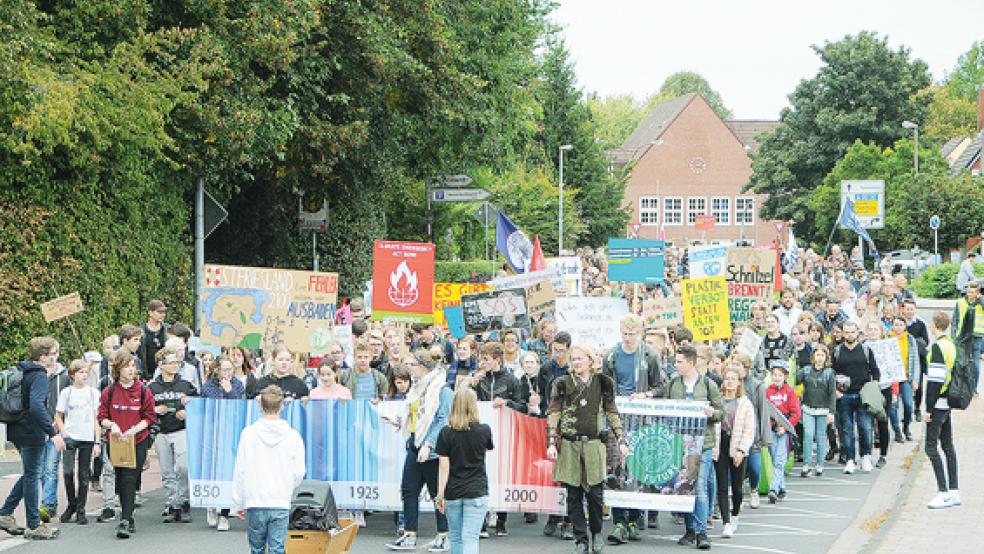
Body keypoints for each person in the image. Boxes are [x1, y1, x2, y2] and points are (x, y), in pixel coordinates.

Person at [546, 345, 626, 554]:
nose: (576, 362)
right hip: (570, 445)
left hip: (593, 445)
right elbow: (554, 413)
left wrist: (621, 439)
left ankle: (597, 533)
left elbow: (611, 412)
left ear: (590, 360)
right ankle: (580, 539)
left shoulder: (603, 382)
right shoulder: (561, 383)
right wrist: (552, 441)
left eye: (580, 358)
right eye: (573, 359)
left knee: (595, 496)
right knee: (573, 497)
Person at [602, 314, 666, 546]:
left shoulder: (649, 356)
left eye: (632, 334)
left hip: (641, 421)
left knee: (638, 470)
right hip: (617, 421)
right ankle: (619, 520)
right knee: (617, 469)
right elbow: (604, 386)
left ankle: (634, 519)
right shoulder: (611, 356)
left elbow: (661, 386)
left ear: (640, 333)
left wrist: (646, 394)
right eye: (624, 334)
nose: (627, 338)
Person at [385, 349, 453, 552]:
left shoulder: (442, 389)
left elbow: (443, 420)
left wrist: (428, 443)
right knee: (409, 490)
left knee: (437, 493)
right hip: (414, 444)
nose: (408, 369)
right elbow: (415, 416)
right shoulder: (416, 388)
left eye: (411, 365)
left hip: (433, 450)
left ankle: (444, 534)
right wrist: (400, 422)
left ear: (423, 366)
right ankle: (409, 534)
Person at [0, 337, 67, 540]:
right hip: (31, 431)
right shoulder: (39, 374)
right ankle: (34, 525)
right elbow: (37, 406)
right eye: (53, 353)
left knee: (32, 473)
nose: (56, 357)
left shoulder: (23, 369)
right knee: (32, 475)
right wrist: (53, 433)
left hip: (17, 428)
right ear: (42, 357)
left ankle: (5, 513)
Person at [232, 385, 306, 554]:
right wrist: (287, 485)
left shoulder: (248, 433)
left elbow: (241, 469)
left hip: (255, 498)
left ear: (260, 404)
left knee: (256, 549)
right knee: (277, 549)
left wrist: (238, 502)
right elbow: (299, 472)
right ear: (282, 406)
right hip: (280, 498)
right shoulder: (293, 436)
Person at [663, 345, 722, 550]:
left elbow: (721, 413)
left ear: (690, 362)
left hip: (703, 443)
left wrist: (712, 413)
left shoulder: (708, 384)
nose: (676, 365)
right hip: (681, 443)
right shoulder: (673, 384)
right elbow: (665, 407)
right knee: (684, 486)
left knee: (700, 486)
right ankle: (690, 529)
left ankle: (701, 531)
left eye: (679, 362)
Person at [98, 349, 157, 539]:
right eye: (127, 366)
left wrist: (133, 430)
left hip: (137, 440)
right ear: (118, 369)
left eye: (133, 366)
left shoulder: (143, 390)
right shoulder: (109, 391)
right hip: (116, 441)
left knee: (130, 478)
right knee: (120, 477)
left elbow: (149, 417)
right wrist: (112, 425)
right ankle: (127, 514)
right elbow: (102, 417)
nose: (131, 370)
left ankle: (125, 519)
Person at [469, 341, 523, 537]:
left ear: (497, 360)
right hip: (480, 433)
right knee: (481, 473)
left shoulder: (511, 380)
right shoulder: (479, 378)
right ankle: (482, 520)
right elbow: (464, 401)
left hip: (504, 432)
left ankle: (501, 520)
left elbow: (522, 406)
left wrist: (506, 402)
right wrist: (472, 385)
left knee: (502, 473)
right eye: (481, 359)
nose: (482, 363)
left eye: (486, 359)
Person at [435, 388, 494, 554]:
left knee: (455, 537)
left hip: (453, 490)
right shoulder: (484, 430)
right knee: (470, 537)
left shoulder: (445, 433)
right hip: (476, 489)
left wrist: (440, 494)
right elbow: (488, 448)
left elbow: (443, 467)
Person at [149, 347, 197, 524]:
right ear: (161, 365)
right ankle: (172, 503)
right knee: (167, 470)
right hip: (161, 431)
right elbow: (145, 409)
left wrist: (187, 411)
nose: (175, 365)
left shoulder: (185, 385)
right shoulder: (152, 387)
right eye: (171, 362)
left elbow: (197, 404)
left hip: (180, 429)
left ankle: (184, 501)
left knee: (183, 467)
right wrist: (155, 410)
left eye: (177, 362)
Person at [201, 355, 246, 531]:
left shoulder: (238, 385)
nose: (228, 373)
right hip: (213, 433)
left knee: (228, 472)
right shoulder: (207, 387)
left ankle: (224, 514)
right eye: (225, 369)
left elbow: (239, 406)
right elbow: (206, 408)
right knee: (213, 471)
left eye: (230, 369)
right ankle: (211, 506)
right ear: (217, 370)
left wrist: (229, 391)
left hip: (231, 433)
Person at [54, 359, 101, 525]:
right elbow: (58, 416)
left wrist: (97, 441)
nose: (84, 375)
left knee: (84, 474)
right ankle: (72, 504)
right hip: (70, 436)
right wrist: (64, 434)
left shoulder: (93, 393)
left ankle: (81, 508)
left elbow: (97, 418)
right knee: (67, 472)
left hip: (87, 437)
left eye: (86, 372)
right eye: (81, 372)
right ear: (73, 375)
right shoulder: (67, 392)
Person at [923, 312, 960, 509]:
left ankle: (943, 492)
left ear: (935, 325)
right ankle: (954, 491)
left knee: (930, 447)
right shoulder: (951, 344)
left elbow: (935, 381)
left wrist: (928, 408)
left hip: (938, 403)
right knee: (947, 445)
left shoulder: (937, 346)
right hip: (948, 401)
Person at [832, 321, 879, 474]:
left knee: (866, 427)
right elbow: (831, 373)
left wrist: (874, 386)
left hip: (862, 394)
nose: (850, 335)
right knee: (847, 430)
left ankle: (865, 456)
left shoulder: (865, 350)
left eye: (852, 332)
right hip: (844, 395)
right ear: (842, 333)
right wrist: (835, 391)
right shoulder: (837, 351)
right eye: (847, 332)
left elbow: (875, 370)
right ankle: (850, 459)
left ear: (857, 333)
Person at [715, 367, 755, 539]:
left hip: (737, 445)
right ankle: (726, 522)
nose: (730, 382)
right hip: (720, 445)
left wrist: (741, 450)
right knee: (722, 486)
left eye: (733, 379)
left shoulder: (745, 403)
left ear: (739, 382)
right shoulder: (717, 401)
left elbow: (749, 429)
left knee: (737, 487)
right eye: (727, 378)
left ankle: (735, 514)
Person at [39, 344, 70, 523]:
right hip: (38, 429)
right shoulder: (38, 375)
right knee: (41, 469)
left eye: (55, 353)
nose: (52, 357)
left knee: (51, 467)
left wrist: (60, 423)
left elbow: (67, 402)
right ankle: (50, 501)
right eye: (49, 354)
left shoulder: (64, 377)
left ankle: (48, 504)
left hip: (55, 428)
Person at [797, 345, 836, 476]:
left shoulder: (829, 373)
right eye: (817, 355)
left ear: (826, 357)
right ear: (813, 356)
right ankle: (806, 464)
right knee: (808, 435)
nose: (820, 358)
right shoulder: (806, 370)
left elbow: (832, 393)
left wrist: (831, 412)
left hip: (823, 410)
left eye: (822, 355)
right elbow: (794, 379)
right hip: (808, 408)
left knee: (820, 437)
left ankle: (820, 464)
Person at [765, 361, 801, 503]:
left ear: (785, 376)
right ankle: (782, 489)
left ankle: (773, 489)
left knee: (780, 461)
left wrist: (785, 427)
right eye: (774, 375)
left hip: (784, 431)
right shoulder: (767, 391)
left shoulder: (789, 392)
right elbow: (765, 411)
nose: (777, 378)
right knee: (775, 461)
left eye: (780, 375)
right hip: (771, 430)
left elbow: (796, 413)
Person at [951, 282, 983, 393]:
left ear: (978, 293)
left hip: (976, 336)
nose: (970, 294)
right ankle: (959, 385)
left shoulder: (981, 303)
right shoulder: (960, 302)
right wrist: (953, 336)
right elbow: (954, 320)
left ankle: (973, 388)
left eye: (973, 292)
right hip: (962, 336)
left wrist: (980, 300)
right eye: (968, 292)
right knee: (960, 361)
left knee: (975, 364)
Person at [138, 299, 169, 380]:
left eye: (164, 312)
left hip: (165, 374)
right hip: (146, 375)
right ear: (150, 313)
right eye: (159, 312)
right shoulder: (140, 332)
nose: (163, 315)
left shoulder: (168, 330)